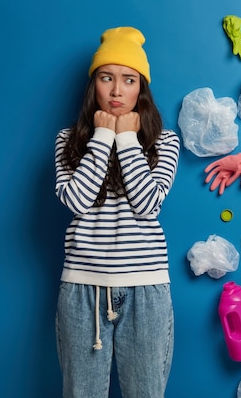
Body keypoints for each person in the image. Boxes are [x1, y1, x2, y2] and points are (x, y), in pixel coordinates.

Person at [54, 26, 180, 398]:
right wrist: (103, 137)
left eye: (128, 80)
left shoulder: (164, 142)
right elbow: (76, 201)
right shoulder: (67, 140)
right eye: (107, 78)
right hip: (81, 287)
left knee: (146, 392)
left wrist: (126, 139)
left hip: (146, 287)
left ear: (141, 87)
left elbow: (147, 205)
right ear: (94, 85)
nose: (116, 91)